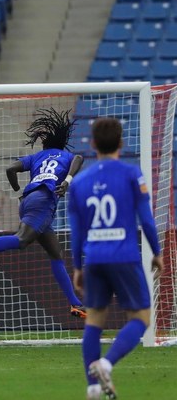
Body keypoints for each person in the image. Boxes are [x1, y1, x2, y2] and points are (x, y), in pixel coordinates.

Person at [68, 117, 163, 400]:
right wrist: (157, 252)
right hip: (124, 256)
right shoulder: (132, 174)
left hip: (94, 257)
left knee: (94, 321)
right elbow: (146, 219)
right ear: (121, 143)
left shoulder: (80, 182)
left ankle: (93, 388)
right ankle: (106, 365)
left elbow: (77, 231)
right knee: (141, 317)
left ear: (93, 144)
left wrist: (76, 266)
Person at [0, 108, 87, 318]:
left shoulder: (36, 156)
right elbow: (79, 158)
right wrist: (66, 182)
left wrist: (19, 193)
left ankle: (75, 303)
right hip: (45, 200)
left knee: (55, 253)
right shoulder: (66, 156)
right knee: (21, 240)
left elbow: (10, 169)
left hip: (28, 200)